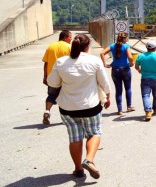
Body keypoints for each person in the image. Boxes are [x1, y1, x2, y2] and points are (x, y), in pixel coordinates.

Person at [47, 33, 112, 179]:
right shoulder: (94, 61)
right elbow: (104, 83)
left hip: (68, 108)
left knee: (74, 137)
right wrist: (107, 96)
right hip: (91, 106)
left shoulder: (61, 62)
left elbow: (52, 83)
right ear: (88, 47)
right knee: (94, 132)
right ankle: (89, 160)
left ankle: (78, 169)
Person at [100, 32, 135, 115]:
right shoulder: (126, 46)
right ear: (125, 39)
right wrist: (132, 63)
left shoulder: (112, 46)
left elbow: (102, 53)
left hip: (115, 69)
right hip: (125, 69)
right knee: (128, 88)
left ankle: (120, 110)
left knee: (118, 90)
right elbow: (130, 57)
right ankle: (129, 106)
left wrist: (104, 64)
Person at [134, 40, 156, 121]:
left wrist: (140, 70)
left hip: (145, 79)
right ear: (155, 47)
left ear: (146, 47)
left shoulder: (141, 56)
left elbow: (136, 66)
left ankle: (148, 112)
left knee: (145, 95)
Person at [42, 30, 72, 125]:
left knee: (52, 95)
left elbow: (46, 63)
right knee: (67, 96)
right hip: (65, 76)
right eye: (70, 37)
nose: (71, 39)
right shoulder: (69, 47)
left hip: (52, 76)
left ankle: (47, 111)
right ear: (65, 37)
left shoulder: (50, 46)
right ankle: (68, 117)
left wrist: (45, 76)